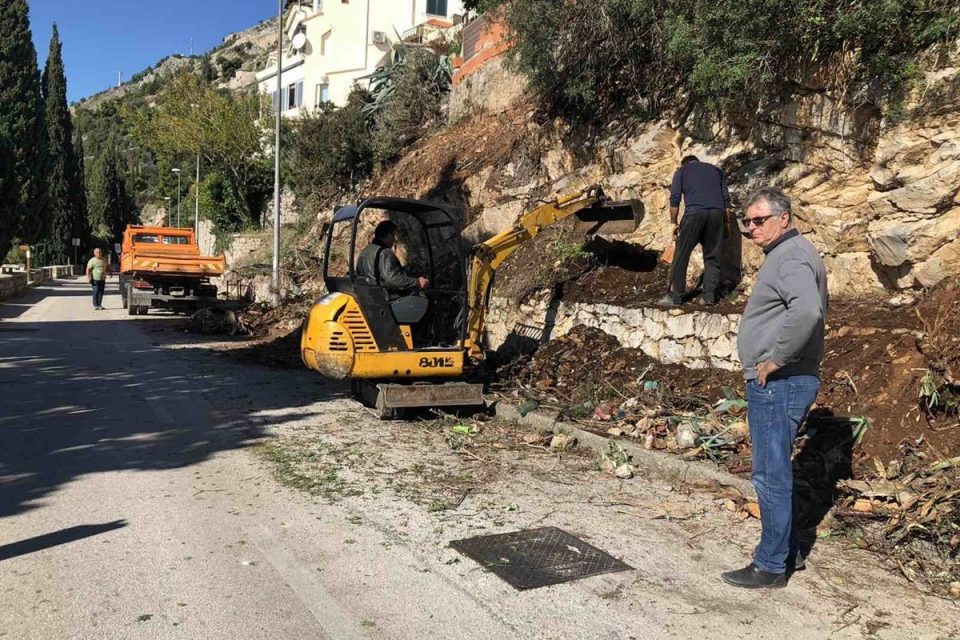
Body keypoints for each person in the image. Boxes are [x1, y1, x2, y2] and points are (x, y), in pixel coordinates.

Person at [721, 187, 828, 589]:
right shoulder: (791, 254)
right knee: (779, 469)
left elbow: (806, 311)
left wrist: (776, 359)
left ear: (783, 218)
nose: (751, 229)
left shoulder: (790, 256)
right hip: (785, 379)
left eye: (758, 220)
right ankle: (789, 552)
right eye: (747, 222)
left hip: (779, 381)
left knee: (770, 474)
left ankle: (769, 566)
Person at [661, 155, 731, 306]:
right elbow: (726, 200)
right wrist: (727, 224)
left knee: (681, 254)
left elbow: (675, 199)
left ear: (685, 163)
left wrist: (673, 222)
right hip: (717, 215)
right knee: (712, 255)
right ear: (698, 161)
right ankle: (709, 297)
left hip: (694, 214)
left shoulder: (682, 171)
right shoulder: (716, 171)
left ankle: (676, 297)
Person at [356, 220, 428, 295]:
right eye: (393, 235)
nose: (394, 239)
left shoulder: (365, 252)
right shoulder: (384, 253)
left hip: (370, 297)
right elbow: (392, 279)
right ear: (386, 235)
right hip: (387, 298)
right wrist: (417, 282)